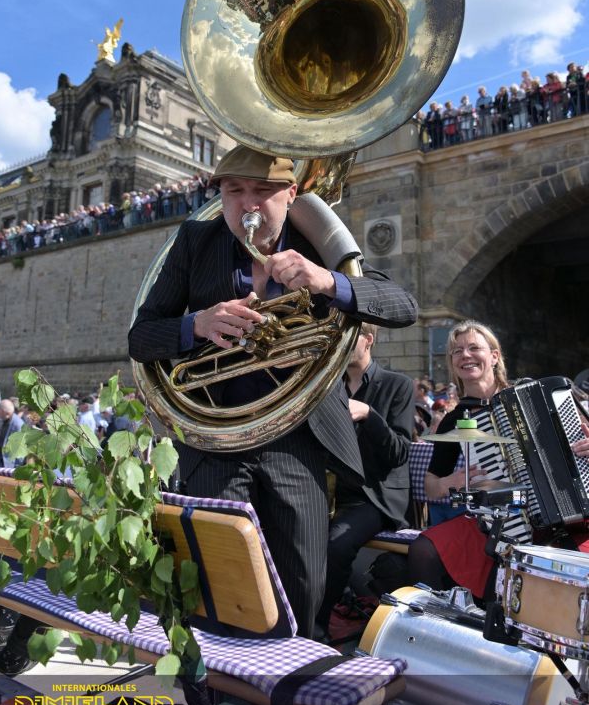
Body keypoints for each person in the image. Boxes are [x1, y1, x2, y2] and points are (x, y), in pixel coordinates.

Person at [128, 146, 418, 636]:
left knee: (301, 590)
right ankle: (217, 701)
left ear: (291, 193)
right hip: (214, 441)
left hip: (299, 443)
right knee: (215, 588)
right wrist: (197, 324)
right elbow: (140, 337)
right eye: (233, 191)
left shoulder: (319, 242)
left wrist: (328, 281)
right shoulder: (197, 238)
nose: (248, 204)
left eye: (262, 191)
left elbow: (402, 304)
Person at [406, 320, 532, 601]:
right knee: (423, 550)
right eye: (457, 351)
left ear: (494, 356)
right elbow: (431, 485)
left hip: (554, 518)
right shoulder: (455, 419)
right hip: (496, 520)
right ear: (452, 363)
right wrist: (451, 482)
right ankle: (447, 630)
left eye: (474, 347)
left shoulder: (529, 396)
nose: (466, 355)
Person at [315, 323, 414, 637]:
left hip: (375, 497)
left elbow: (399, 452)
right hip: (337, 493)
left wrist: (370, 415)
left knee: (335, 544)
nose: (339, 343)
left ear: (368, 340)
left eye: (347, 336)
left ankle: (316, 630)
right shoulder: (330, 385)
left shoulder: (398, 385)